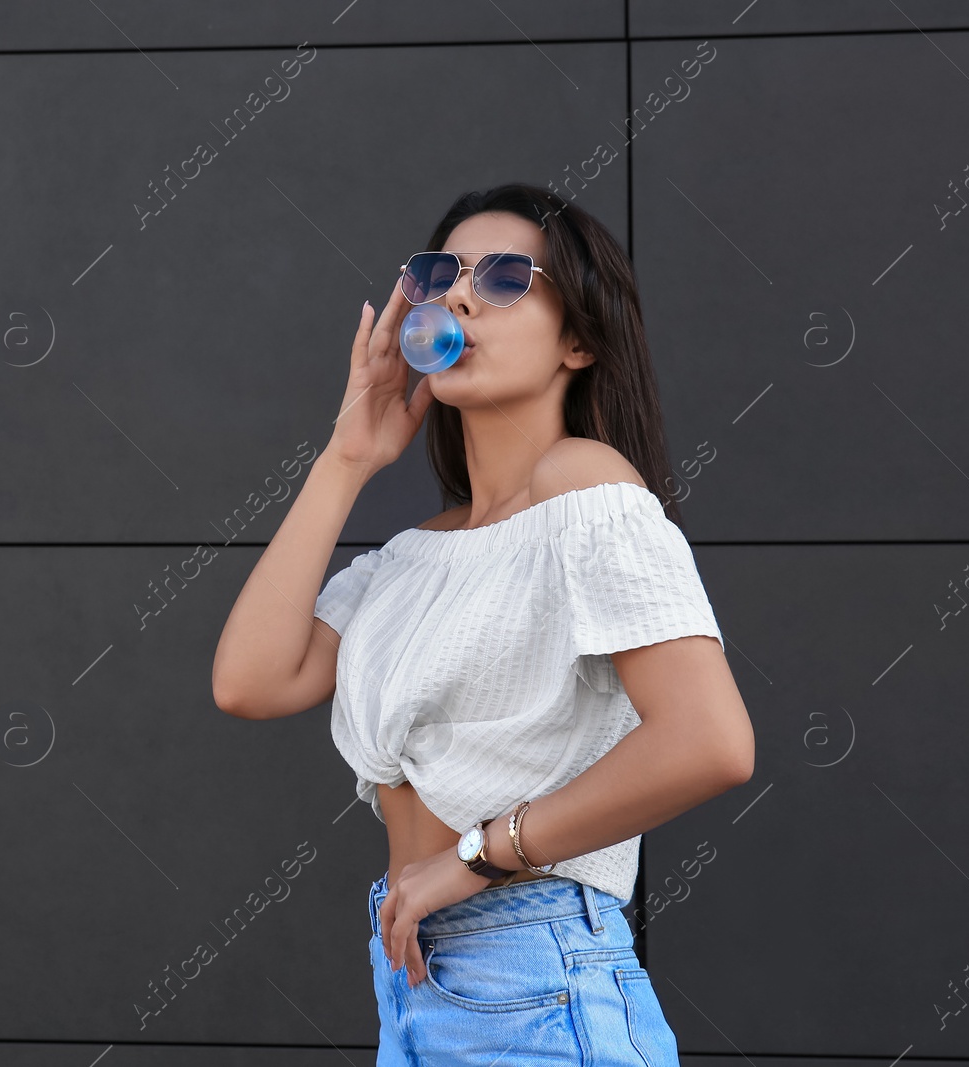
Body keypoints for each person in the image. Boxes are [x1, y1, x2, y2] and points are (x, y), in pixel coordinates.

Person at [212, 182, 754, 1064]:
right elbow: (250, 681)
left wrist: (477, 857)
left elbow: (710, 739)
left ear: (579, 338)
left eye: (504, 278)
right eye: (439, 275)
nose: (456, 296)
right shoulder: (412, 556)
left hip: (532, 970)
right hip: (421, 984)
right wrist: (347, 458)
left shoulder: (584, 481)